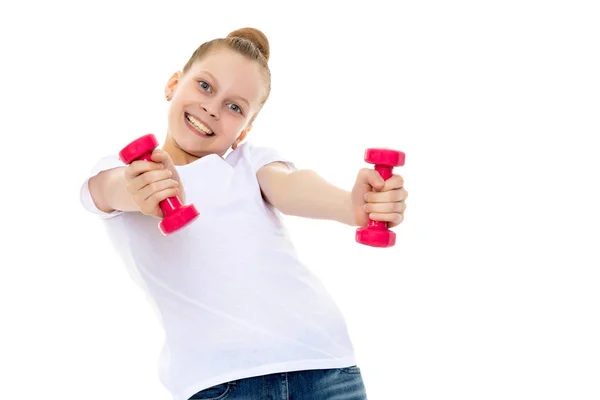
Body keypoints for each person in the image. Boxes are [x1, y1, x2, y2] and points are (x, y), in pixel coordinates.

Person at [80, 27, 408, 400]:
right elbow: (111, 190)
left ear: (244, 131)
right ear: (174, 83)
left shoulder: (249, 162)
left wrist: (351, 205)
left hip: (324, 366)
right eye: (205, 86)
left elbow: (292, 185)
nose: (212, 108)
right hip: (220, 381)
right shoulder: (122, 168)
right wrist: (141, 189)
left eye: (235, 107)